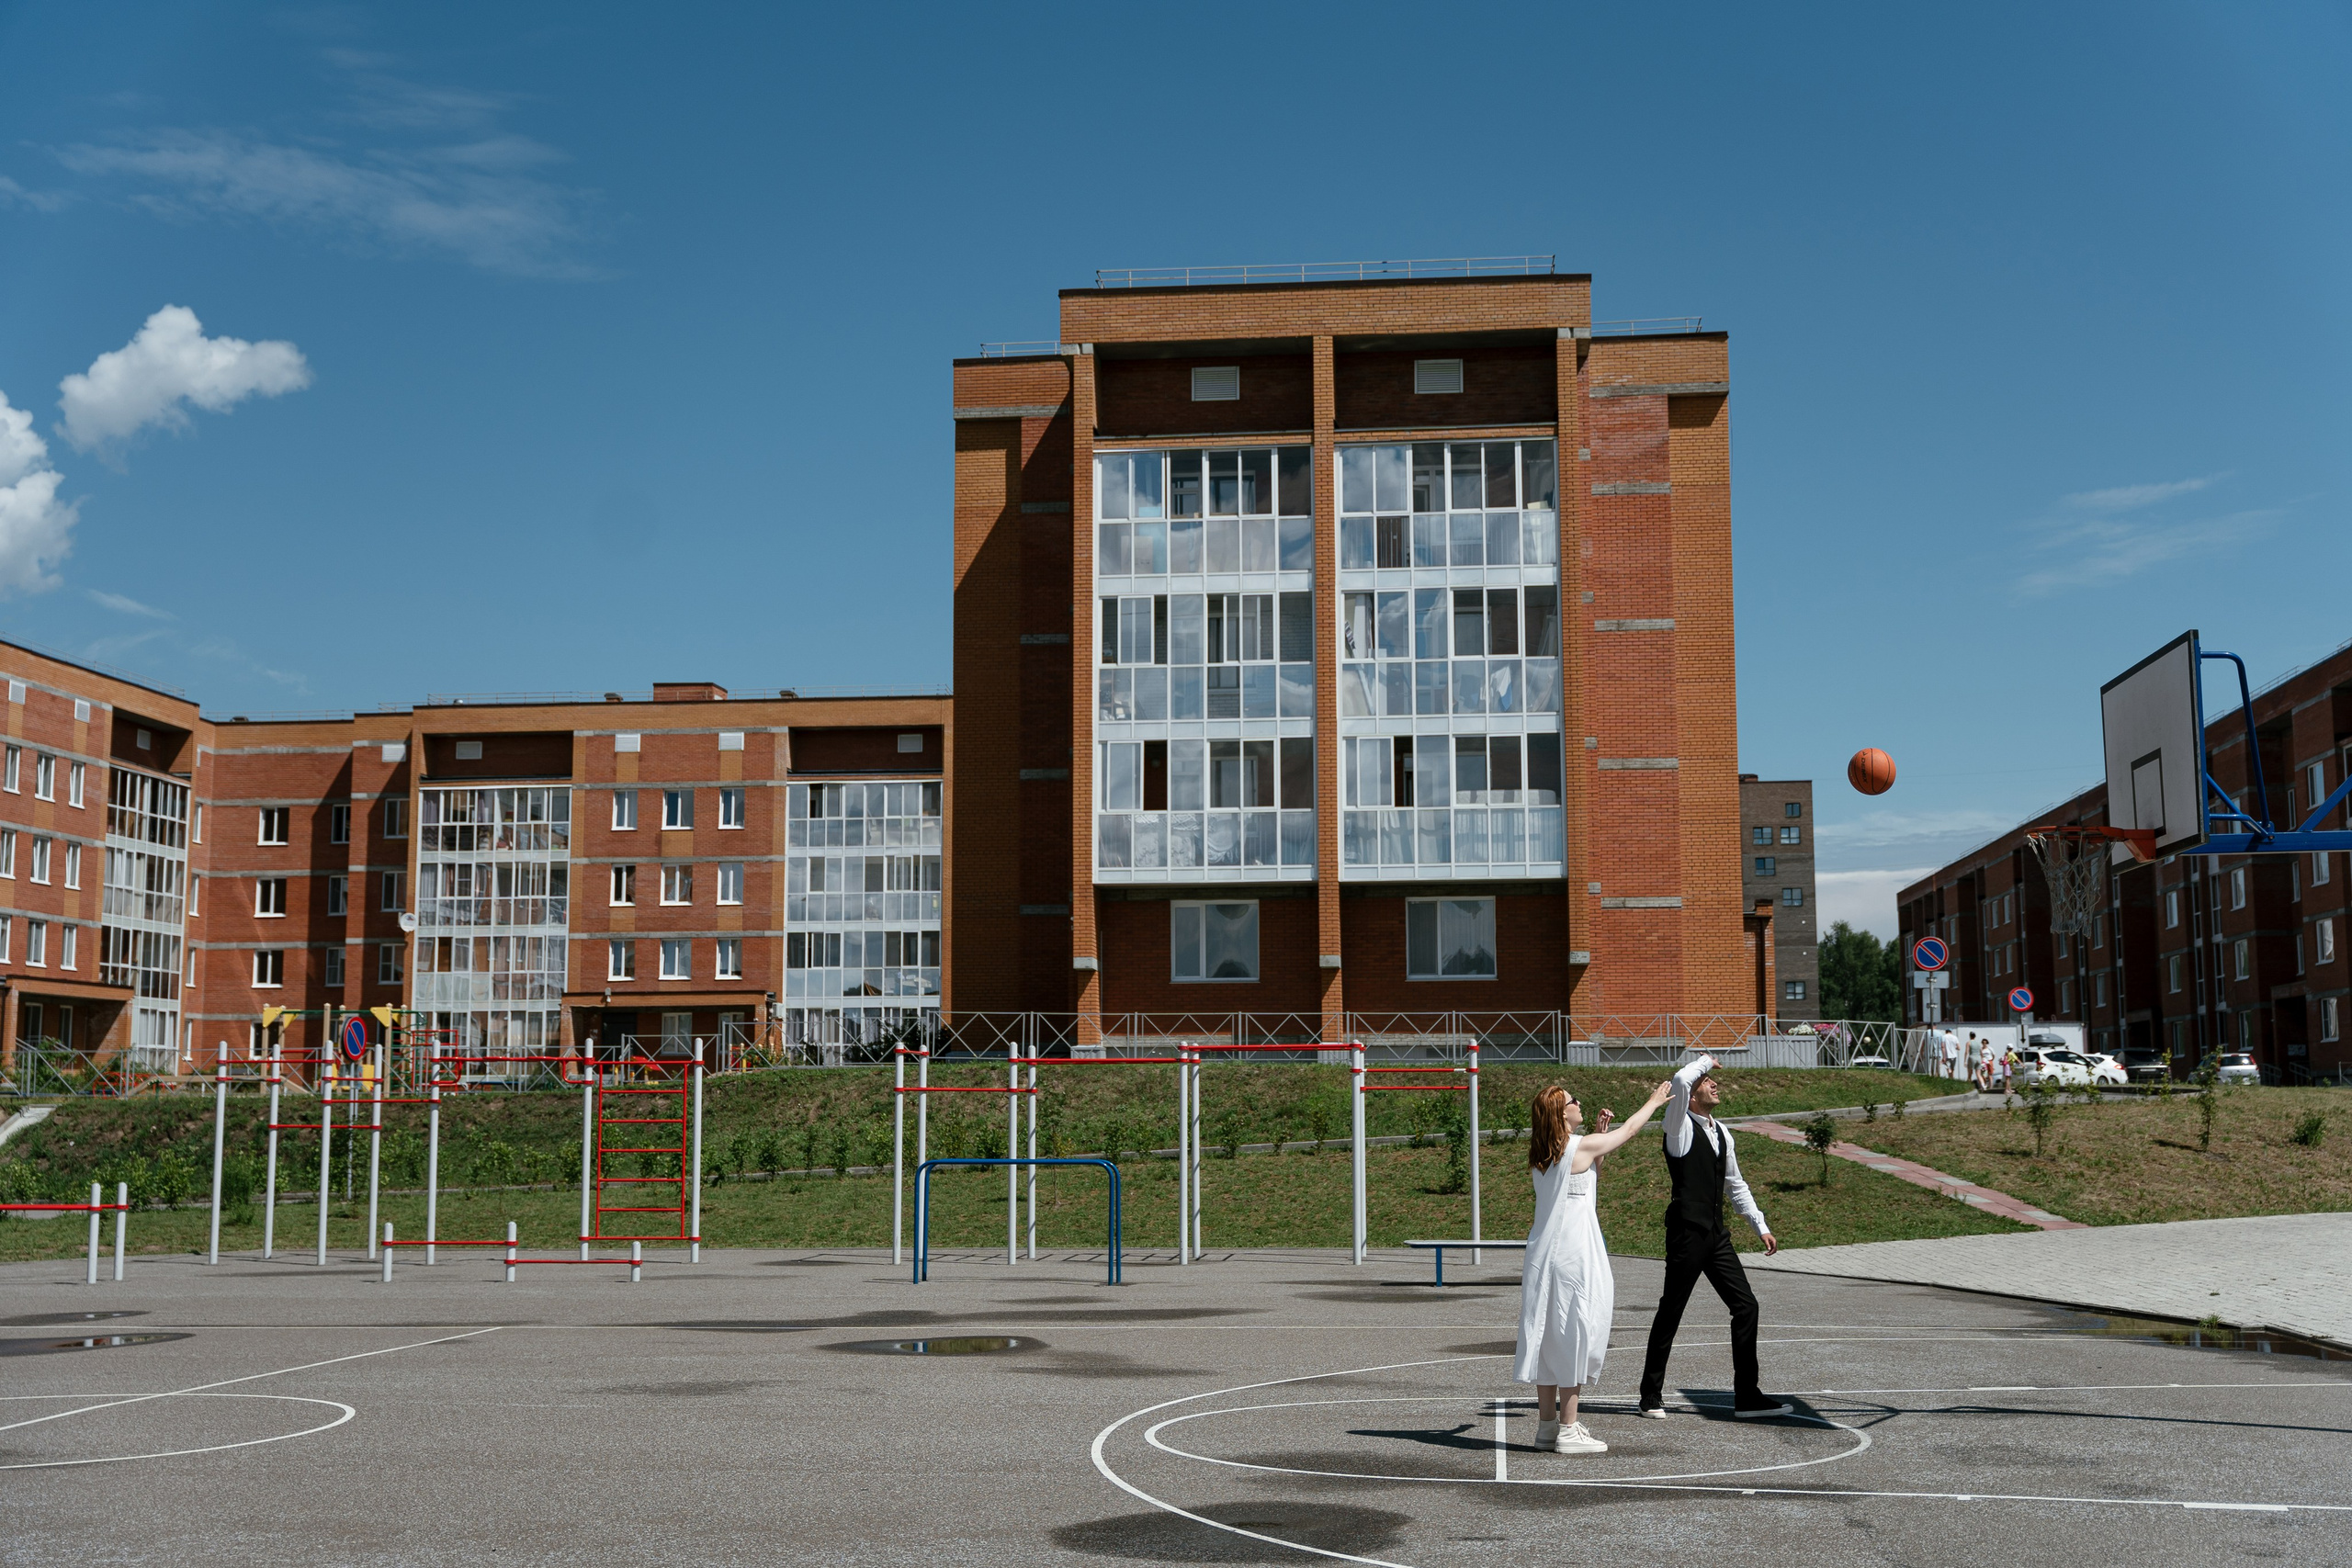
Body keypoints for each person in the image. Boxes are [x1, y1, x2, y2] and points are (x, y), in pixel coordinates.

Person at [1515, 1078, 1676, 1455]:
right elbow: (1632, 1130)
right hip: (1573, 1255)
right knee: (1573, 1333)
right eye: (1574, 1100)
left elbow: (1588, 1180)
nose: (1579, 1102)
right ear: (1562, 1113)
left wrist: (1599, 1136)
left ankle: (1547, 1428)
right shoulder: (1577, 1147)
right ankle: (1569, 1431)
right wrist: (1653, 1102)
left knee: (1549, 1336)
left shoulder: (1544, 1152)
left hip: (1547, 1257)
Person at [1635, 1055, 1792, 1420]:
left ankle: (1747, 1396)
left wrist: (1760, 1225)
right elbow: (1678, 1078)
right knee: (1671, 1312)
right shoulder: (1678, 1127)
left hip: (1716, 1235)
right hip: (1687, 1234)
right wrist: (1705, 1059)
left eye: (1710, 1078)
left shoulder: (1722, 1132)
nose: (1714, 1083)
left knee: (1746, 1306)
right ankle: (1650, 1396)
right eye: (1706, 1081)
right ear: (1691, 1094)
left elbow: (1735, 1184)